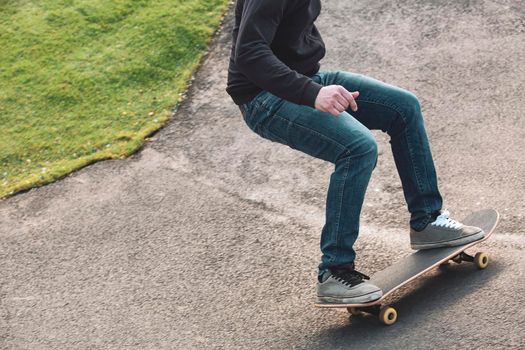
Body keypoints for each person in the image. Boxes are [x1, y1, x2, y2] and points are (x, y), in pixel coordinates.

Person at [225, 0, 484, 304]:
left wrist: (312, 86)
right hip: (262, 98)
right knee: (357, 148)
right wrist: (313, 93)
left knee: (403, 107)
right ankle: (334, 271)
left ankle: (427, 222)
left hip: (305, 79)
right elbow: (249, 53)